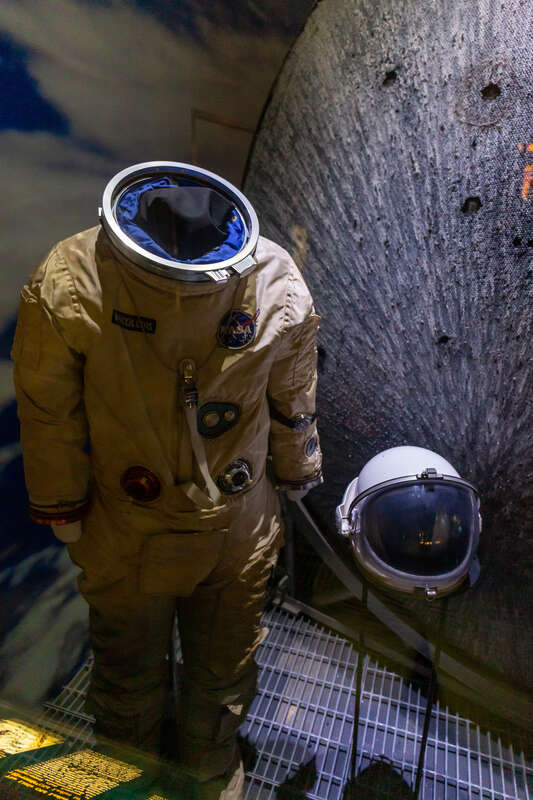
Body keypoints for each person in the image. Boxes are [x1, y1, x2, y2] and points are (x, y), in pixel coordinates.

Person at [11, 162, 323, 799]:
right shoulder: (273, 280)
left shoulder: (70, 276)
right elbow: (51, 412)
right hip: (202, 525)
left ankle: (155, 777)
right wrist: (295, 474)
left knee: (167, 669)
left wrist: (64, 509)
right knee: (201, 669)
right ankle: (193, 777)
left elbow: (49, 414)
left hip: (148, 529)